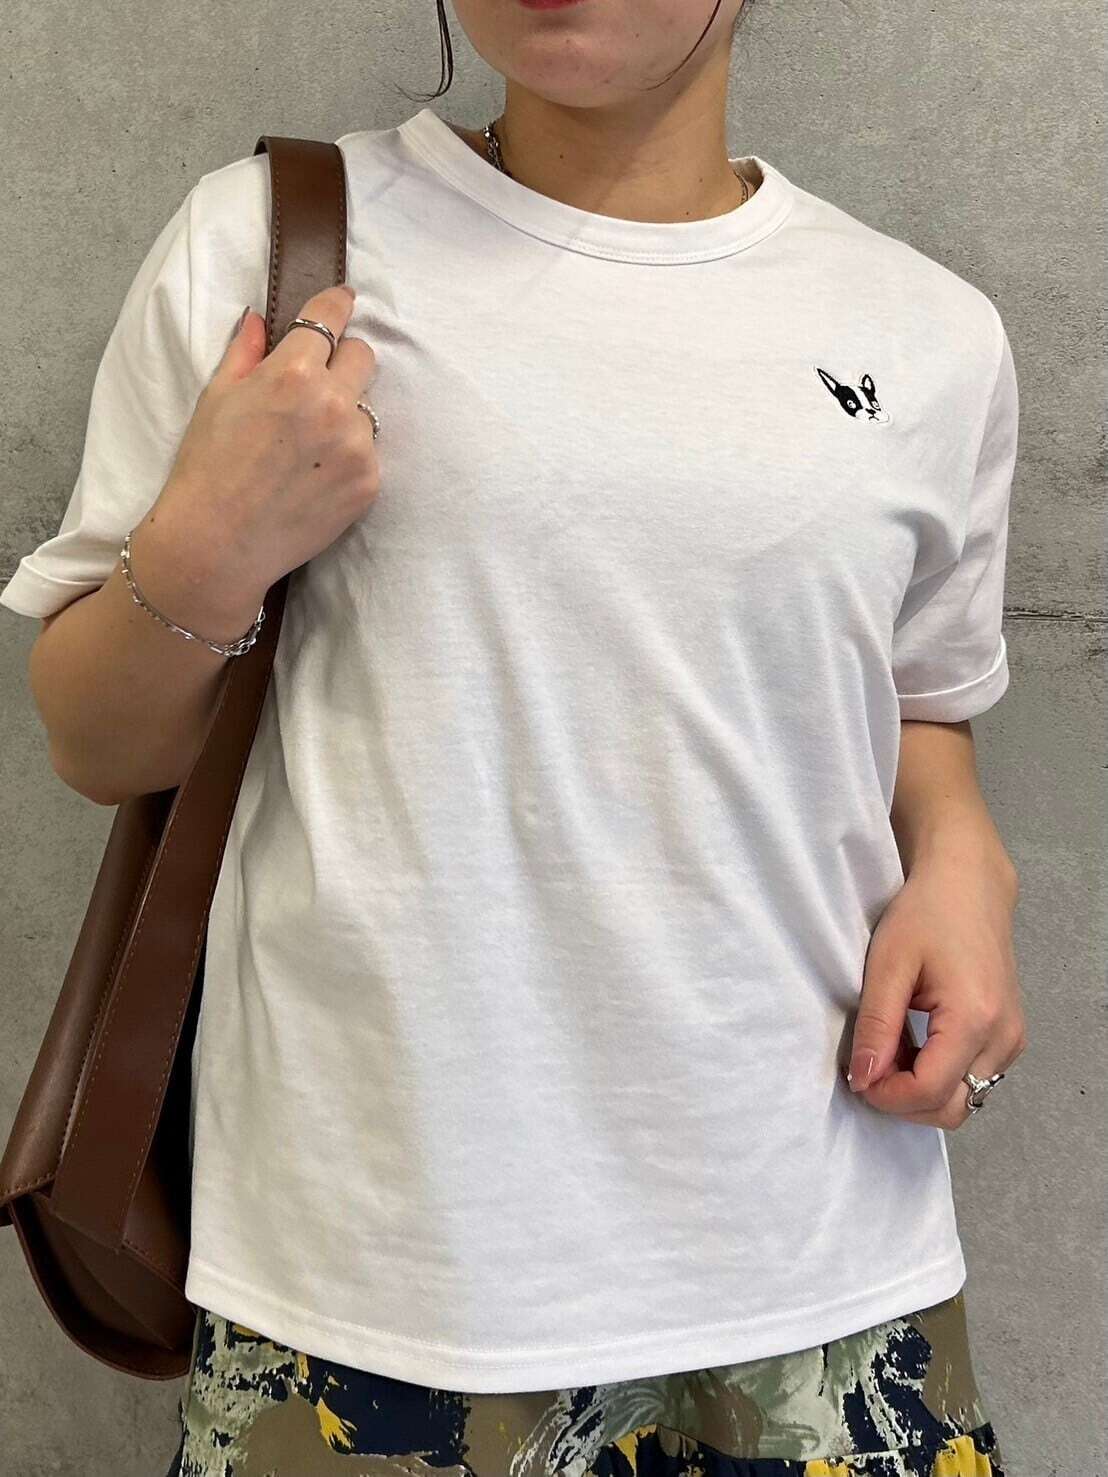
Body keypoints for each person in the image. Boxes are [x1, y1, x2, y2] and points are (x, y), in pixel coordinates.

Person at [0, 1, 1026, 1472]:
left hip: (826, 1269)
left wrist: (967, 861)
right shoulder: (275, 249)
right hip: (370, 1295)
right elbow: (94, 743)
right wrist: (208, 551)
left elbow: (917, 699)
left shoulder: (929, 334)